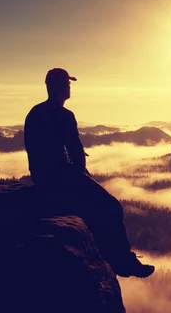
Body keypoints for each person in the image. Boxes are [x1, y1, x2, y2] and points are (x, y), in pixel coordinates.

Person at [23, 68, 155, 278]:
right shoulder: (64, 115)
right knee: (111, 207)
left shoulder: (34, 113)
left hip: (41, 178)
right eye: (67, 84)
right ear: (57, 87)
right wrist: (82, 176)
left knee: (93, 211)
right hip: (61, 177)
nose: (69, 88)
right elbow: (75, 152)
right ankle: (123, 262)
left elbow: (32, 150)